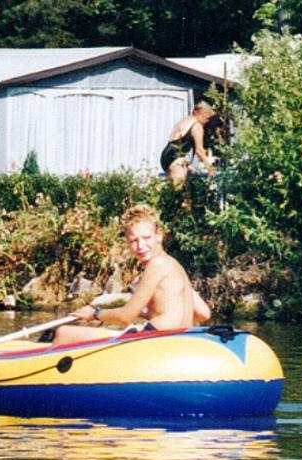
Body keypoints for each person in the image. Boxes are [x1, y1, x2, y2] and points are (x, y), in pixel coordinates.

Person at [53, 204, 211, 344]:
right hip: (179, 340)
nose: (141, 245)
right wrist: (155, 316)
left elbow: (125, 317)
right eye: (134, 240)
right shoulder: (174, 265)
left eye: (146, 238)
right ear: (128, 242)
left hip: (159, 342)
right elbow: (204, 313)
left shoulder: (156, 264)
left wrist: (94, 313)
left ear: (159, 236)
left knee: (64, 333)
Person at [159, 101, 217, 189]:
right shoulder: (197, 126)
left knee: (177, 190)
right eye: (207, 118)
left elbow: (180, 141)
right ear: (199, 113)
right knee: (178, 191)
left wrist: (188, 166)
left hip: (166, 156)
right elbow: (199, 151)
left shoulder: (185, 120)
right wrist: (209, 167)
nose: (207, 121)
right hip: (176, 159)